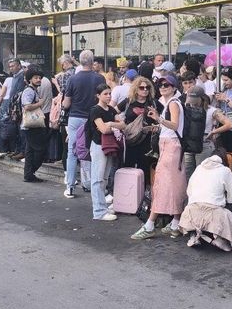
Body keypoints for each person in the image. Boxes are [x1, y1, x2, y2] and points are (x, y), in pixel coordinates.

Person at [131, 75, 188, 240]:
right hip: (171, 147)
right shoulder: (170, 103)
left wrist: (159, 119)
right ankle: (176, 223)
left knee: (162, 186)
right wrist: (157, 126)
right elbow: (173, 127)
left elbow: (175, 125)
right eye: (160, 84)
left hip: (171, 148)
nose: (162, 87)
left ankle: (150, 225)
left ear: (174, 87)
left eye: (166, 85)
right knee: (174, 185)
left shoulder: (174, 103)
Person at [62, 50, 107, 199]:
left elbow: (67, 103)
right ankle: (92, 185)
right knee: (94, 152)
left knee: (73, 152)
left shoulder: (72, 79)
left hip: (75, 117)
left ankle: (70, 186)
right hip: (94, 118)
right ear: (92, 61)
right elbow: (105, 99)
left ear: (80, 61)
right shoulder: (100, 78)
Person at [180, 153, 232, 251]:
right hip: (213, 211)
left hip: (191, 210)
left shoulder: (198, 168)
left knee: (196, 208)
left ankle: (194, 235)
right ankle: (220, 237)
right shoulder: (225, 170)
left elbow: (189, 192)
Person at [87, 83, 127, 220]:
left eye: (109, 93)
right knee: (98, 179)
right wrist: (113, 127)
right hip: (98, 145)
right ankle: (98, 211)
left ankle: (102, 208)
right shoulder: (95, 110)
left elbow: (123, 125)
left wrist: (110, 124)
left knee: (103, 178)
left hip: (109, 145)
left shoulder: (110, 109)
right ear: (98, 96)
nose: (109, 96)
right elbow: (103, 129)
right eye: (105, 94)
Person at [116, 76, 162, 183]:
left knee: (146, 167)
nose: (145, 90)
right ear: (136, 89)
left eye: (147, 88)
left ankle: (145, 191)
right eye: (142, 88)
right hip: (131, 139)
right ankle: (128, 190)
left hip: (148, 140)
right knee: (128, 165)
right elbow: (113, 111)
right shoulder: (128, 102)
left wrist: (157, 123)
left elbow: (163, 118)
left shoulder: (154, 103)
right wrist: (120, 122)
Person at [181, 86, 232, 179]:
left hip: (204, 143)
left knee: (202, 175)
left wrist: (214, 132)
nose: (192, 102)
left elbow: (229, 124)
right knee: (188, 176)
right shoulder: (187, 108)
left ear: (201, 98)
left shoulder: (211, 110)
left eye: (194, 99)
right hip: (188, 145)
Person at [21, 67, 49, 183]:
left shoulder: (33, 90)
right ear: (30, 79)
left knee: (30, 151)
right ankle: (30, 172)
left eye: (39, 78)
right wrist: (40, 103)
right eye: (36, 78)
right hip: (32, 125)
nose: (38, 80)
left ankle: (29, 174)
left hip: (30, 125)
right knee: (40, 150)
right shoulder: (29, 91)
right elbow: (27, 106)